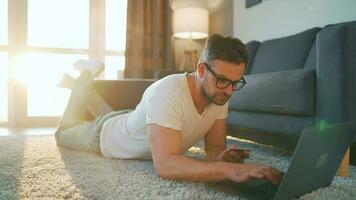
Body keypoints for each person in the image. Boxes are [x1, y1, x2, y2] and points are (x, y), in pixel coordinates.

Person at [55, 34, 281, 184]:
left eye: (235, 83)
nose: (230, 90)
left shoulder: (220, 94)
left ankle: (79, 85)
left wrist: (222, 158)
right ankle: (84, 75)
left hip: (132, 122)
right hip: (102, 136)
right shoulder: (168, 92)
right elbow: (165, 165)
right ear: (201, 69)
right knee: (63, 131)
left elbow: (213, 151)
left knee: (114, 116)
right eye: (223, 80)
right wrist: (228, 171)